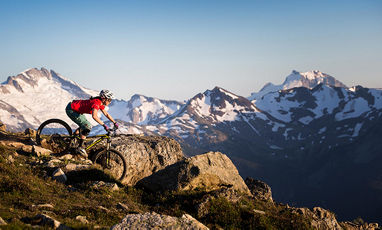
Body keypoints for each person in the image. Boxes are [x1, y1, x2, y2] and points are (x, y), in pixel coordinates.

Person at [65, 89, 119, 157]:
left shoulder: (100, 102)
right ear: (104, 98)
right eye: (109, 100)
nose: (110, 102)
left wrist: (114, 122)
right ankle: (80, 147)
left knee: (84, 126)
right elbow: (94, 116)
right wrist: (104, 125)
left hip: (76, 110)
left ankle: (71, 139)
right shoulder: (96, 103)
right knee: (87, 126)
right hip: (71, 109)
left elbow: (106, 114)